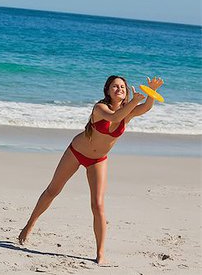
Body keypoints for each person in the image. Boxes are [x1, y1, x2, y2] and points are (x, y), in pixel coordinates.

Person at [18, 75, 164, 264]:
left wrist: (152, 93)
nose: (119, 89)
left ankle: (100, 253)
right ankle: (30, 224)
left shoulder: (128, 112)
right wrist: (133, 102)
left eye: (122, 86)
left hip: (98, 160)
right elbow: (114, 117)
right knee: (53, 190)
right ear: (107, 90)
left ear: (126, 91)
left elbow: (145, 108)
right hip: (76, 151)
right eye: (114, 86)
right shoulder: (100, 108)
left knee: (98, 205)